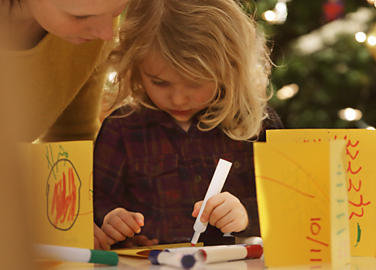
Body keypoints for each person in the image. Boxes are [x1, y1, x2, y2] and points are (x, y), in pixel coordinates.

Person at [93, 0, 284, 248]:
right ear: (136, 67)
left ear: (229, 68)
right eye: (159, 82)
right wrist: (110, 218)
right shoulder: (123, 127)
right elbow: (96, 197)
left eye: (195, 83)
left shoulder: (257, 124)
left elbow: (287, 204)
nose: (178, 99)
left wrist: (247, 215)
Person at [0, 0, 129, 254]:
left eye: (116, 11)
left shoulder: (92, 29)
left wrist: (74, 220)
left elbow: (72, 136)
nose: (107, 34)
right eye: (82, 16)